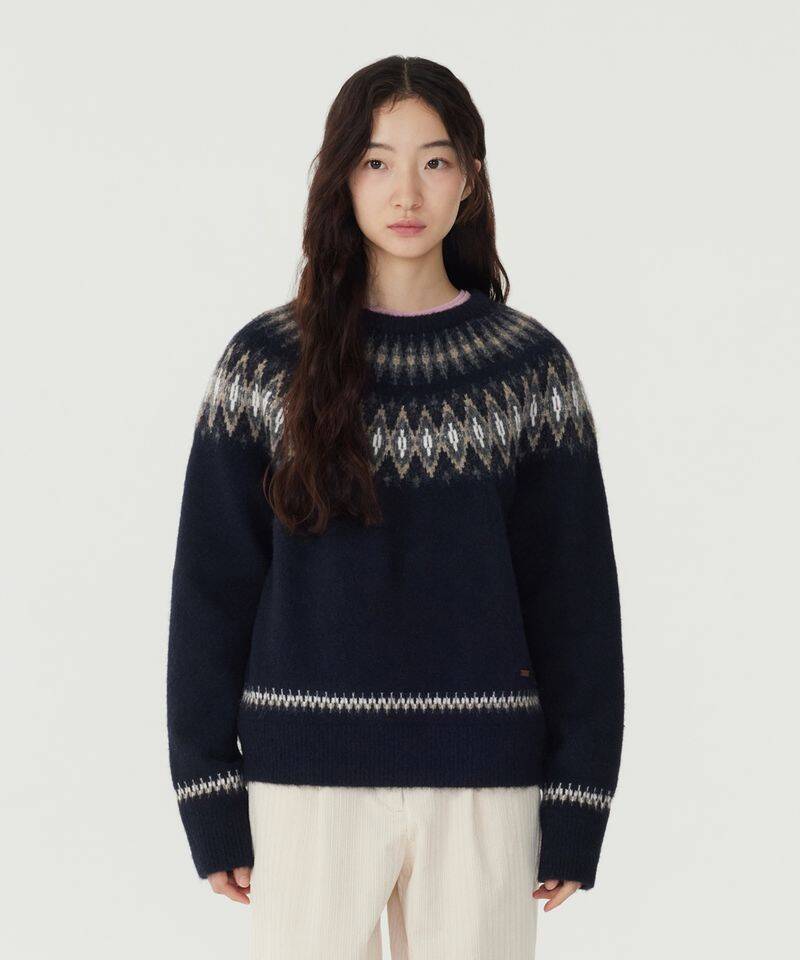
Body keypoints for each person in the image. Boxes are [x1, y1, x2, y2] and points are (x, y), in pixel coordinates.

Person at [166, 55, 625, 959]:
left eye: (434, 161)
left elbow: (575, 598)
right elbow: (212, 588)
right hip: (304, 786)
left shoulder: (528, 368)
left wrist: (578, 800)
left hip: (484, 787)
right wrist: (208, 791)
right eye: (377, 162)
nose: (406, 191)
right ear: (341, 176)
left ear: (470, 179)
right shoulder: (266, 363)